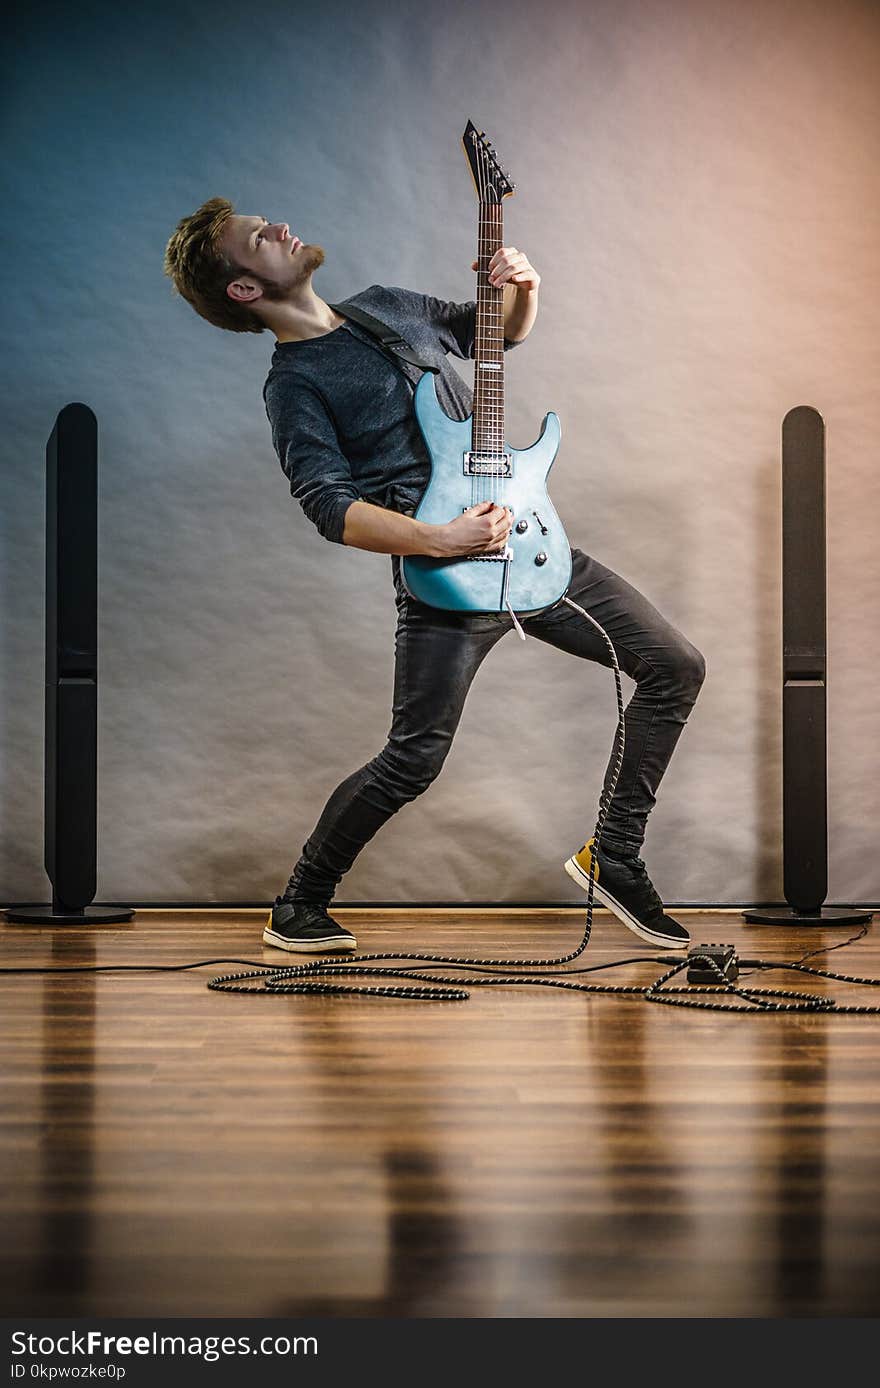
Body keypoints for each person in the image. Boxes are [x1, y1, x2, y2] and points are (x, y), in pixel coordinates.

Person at [163, 197, 705, 955]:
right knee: (414, 757)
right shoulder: (294, 385)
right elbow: (328, 506)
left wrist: (524, 288)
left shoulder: (386, 307)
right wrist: (439, 538)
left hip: (528, 545)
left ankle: (614, 855)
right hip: (444, 578)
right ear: (245, 290)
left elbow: (496, 336)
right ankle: (298, 905)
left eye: (270, 221)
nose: (281, 226)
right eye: (259, 237)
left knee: (675, 666)